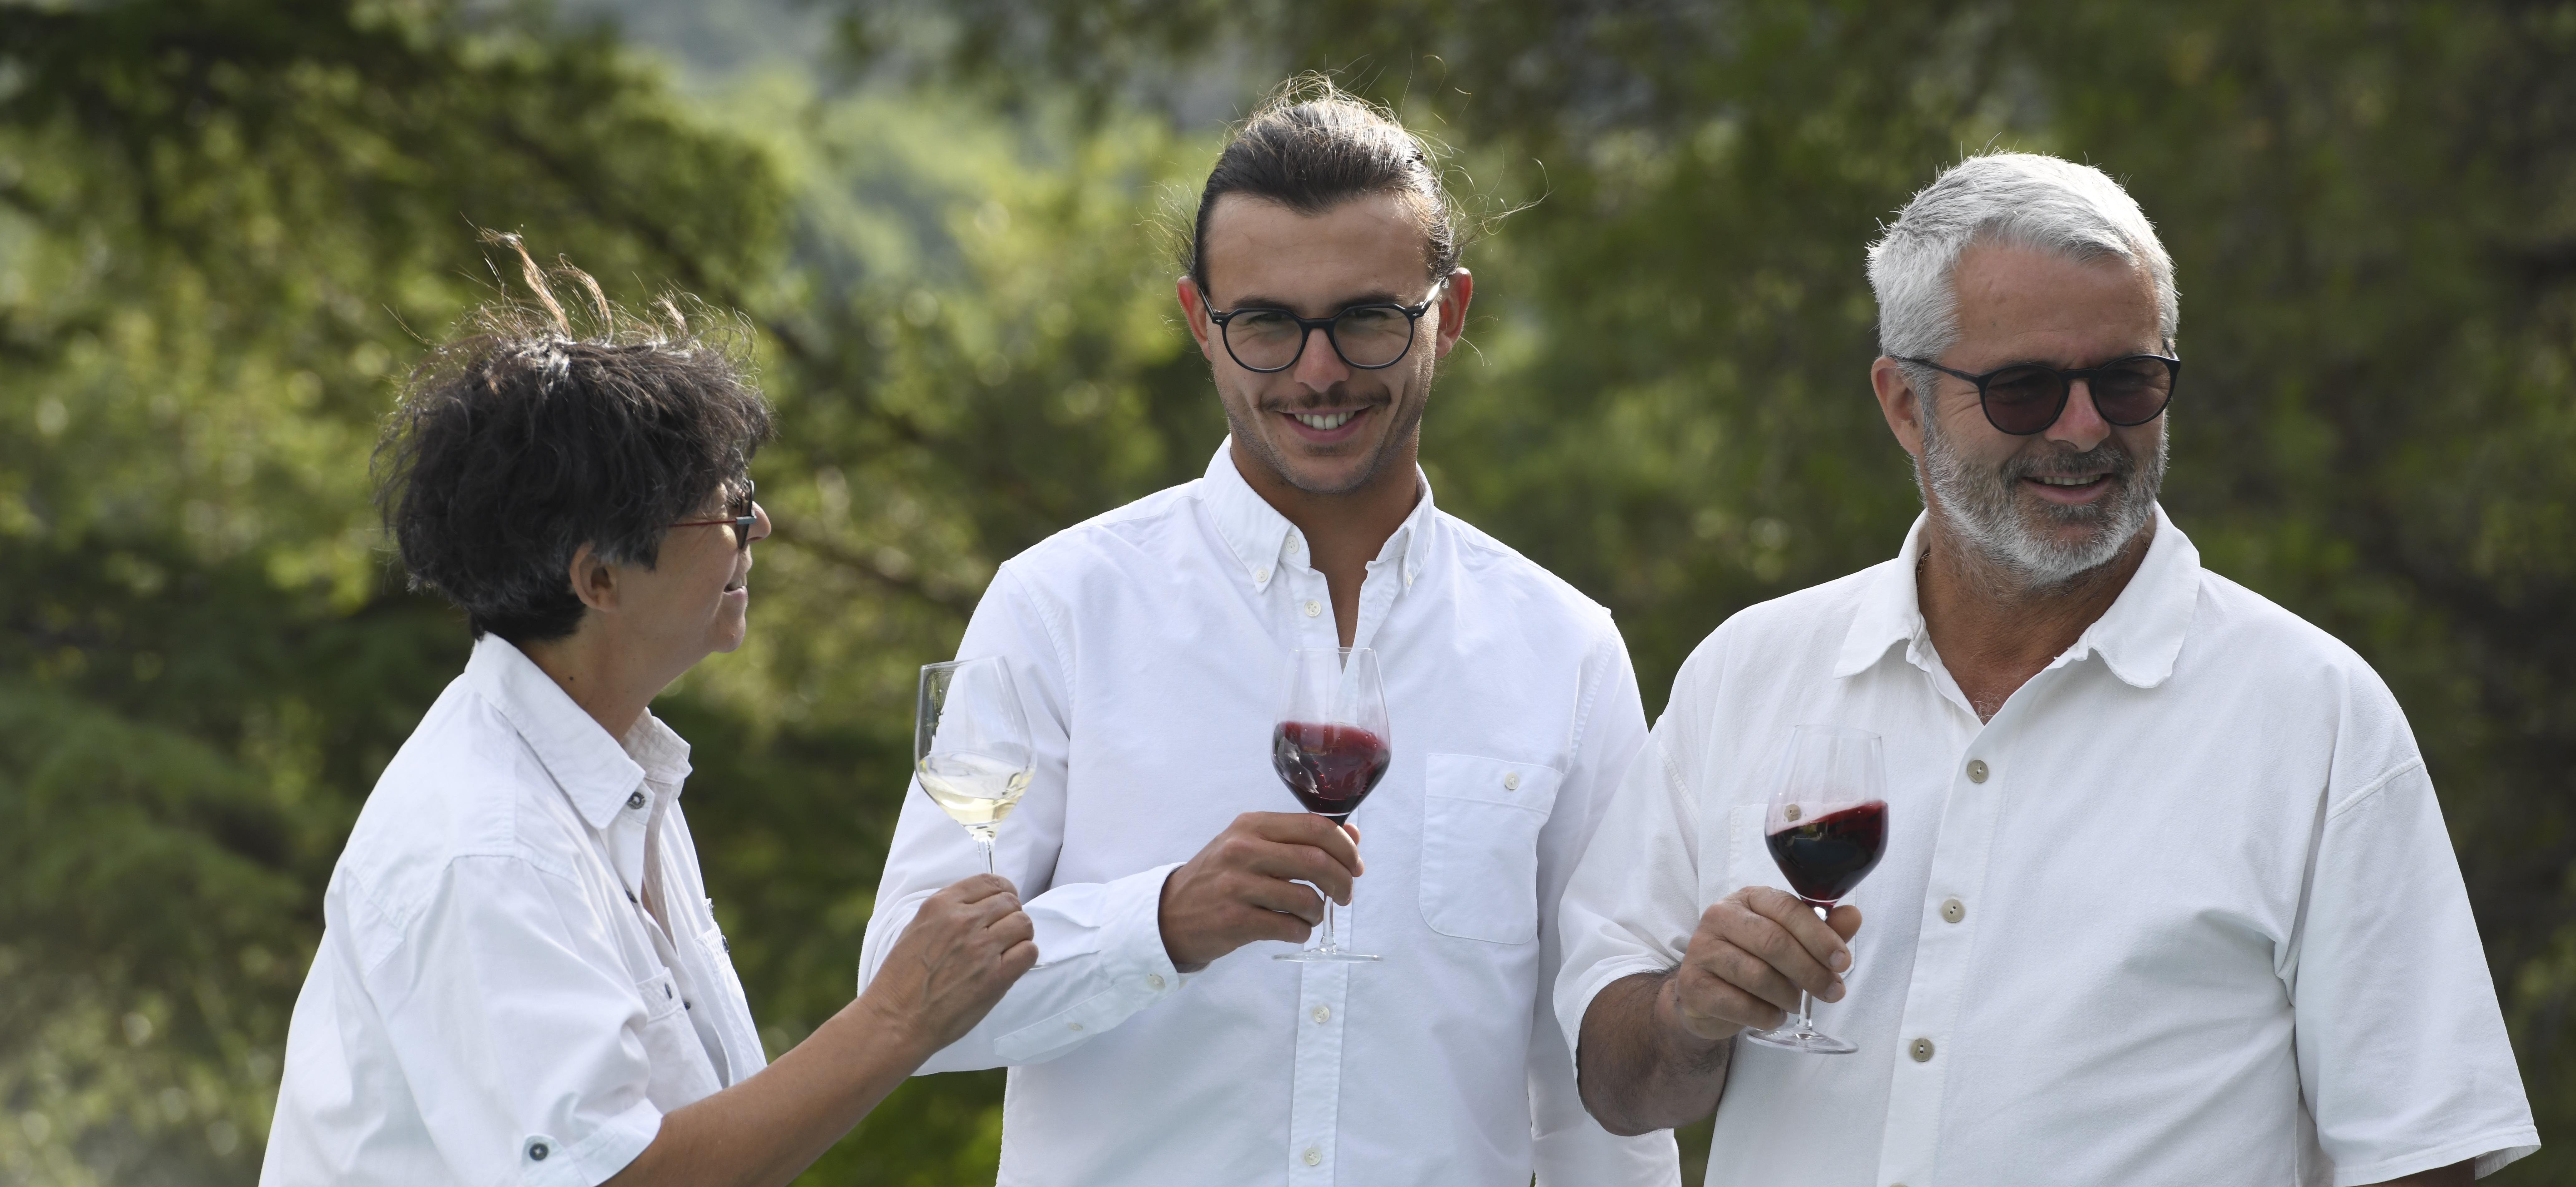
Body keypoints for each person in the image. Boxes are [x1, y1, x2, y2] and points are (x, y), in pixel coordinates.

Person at [1556, 152, 2541, 1186]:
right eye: (2025, 389)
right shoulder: (1749, 671)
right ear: (1904, 404)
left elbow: (2420, 1151)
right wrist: (1687, 1015)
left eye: (2127, 380)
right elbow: (1615, 1087)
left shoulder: (2316, 714)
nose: (2086, 428)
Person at [856, 81, 1678, 1185]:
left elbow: (1593, 1087)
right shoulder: (1057, 607)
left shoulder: (1565, 648)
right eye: (1267, 325)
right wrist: (1159, 923)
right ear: (1203, 323)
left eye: (1369, 318)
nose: (1320, 370)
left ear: (1453, 311)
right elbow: (908, 998)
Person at [260, 239, 1035, 1187]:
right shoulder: (489, 845)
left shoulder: (611, 773)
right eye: (725, 508)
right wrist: (898, 1017)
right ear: (597, 578)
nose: (758, 529)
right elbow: (616, 1177)